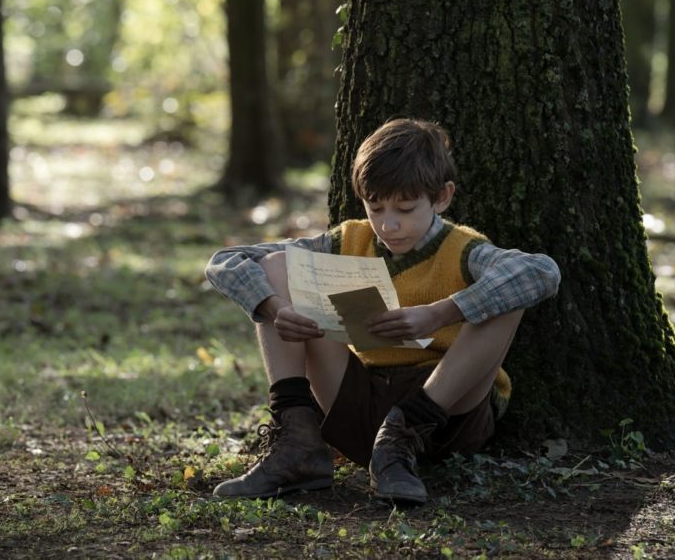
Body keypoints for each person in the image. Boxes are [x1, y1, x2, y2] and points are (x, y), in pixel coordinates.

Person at [204, 118, 561, 504]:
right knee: (277, 264)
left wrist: (439, 314)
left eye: (405, 209)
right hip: (360, 404)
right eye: (376, 208)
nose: (389, 225)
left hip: (443, 415)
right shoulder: (350, 239)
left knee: (507, 298)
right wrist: (275, 310)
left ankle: (400, 437)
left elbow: (541, 272)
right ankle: (297, 442)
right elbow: (227, 260)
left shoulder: (464, 249)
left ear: (442, 197)